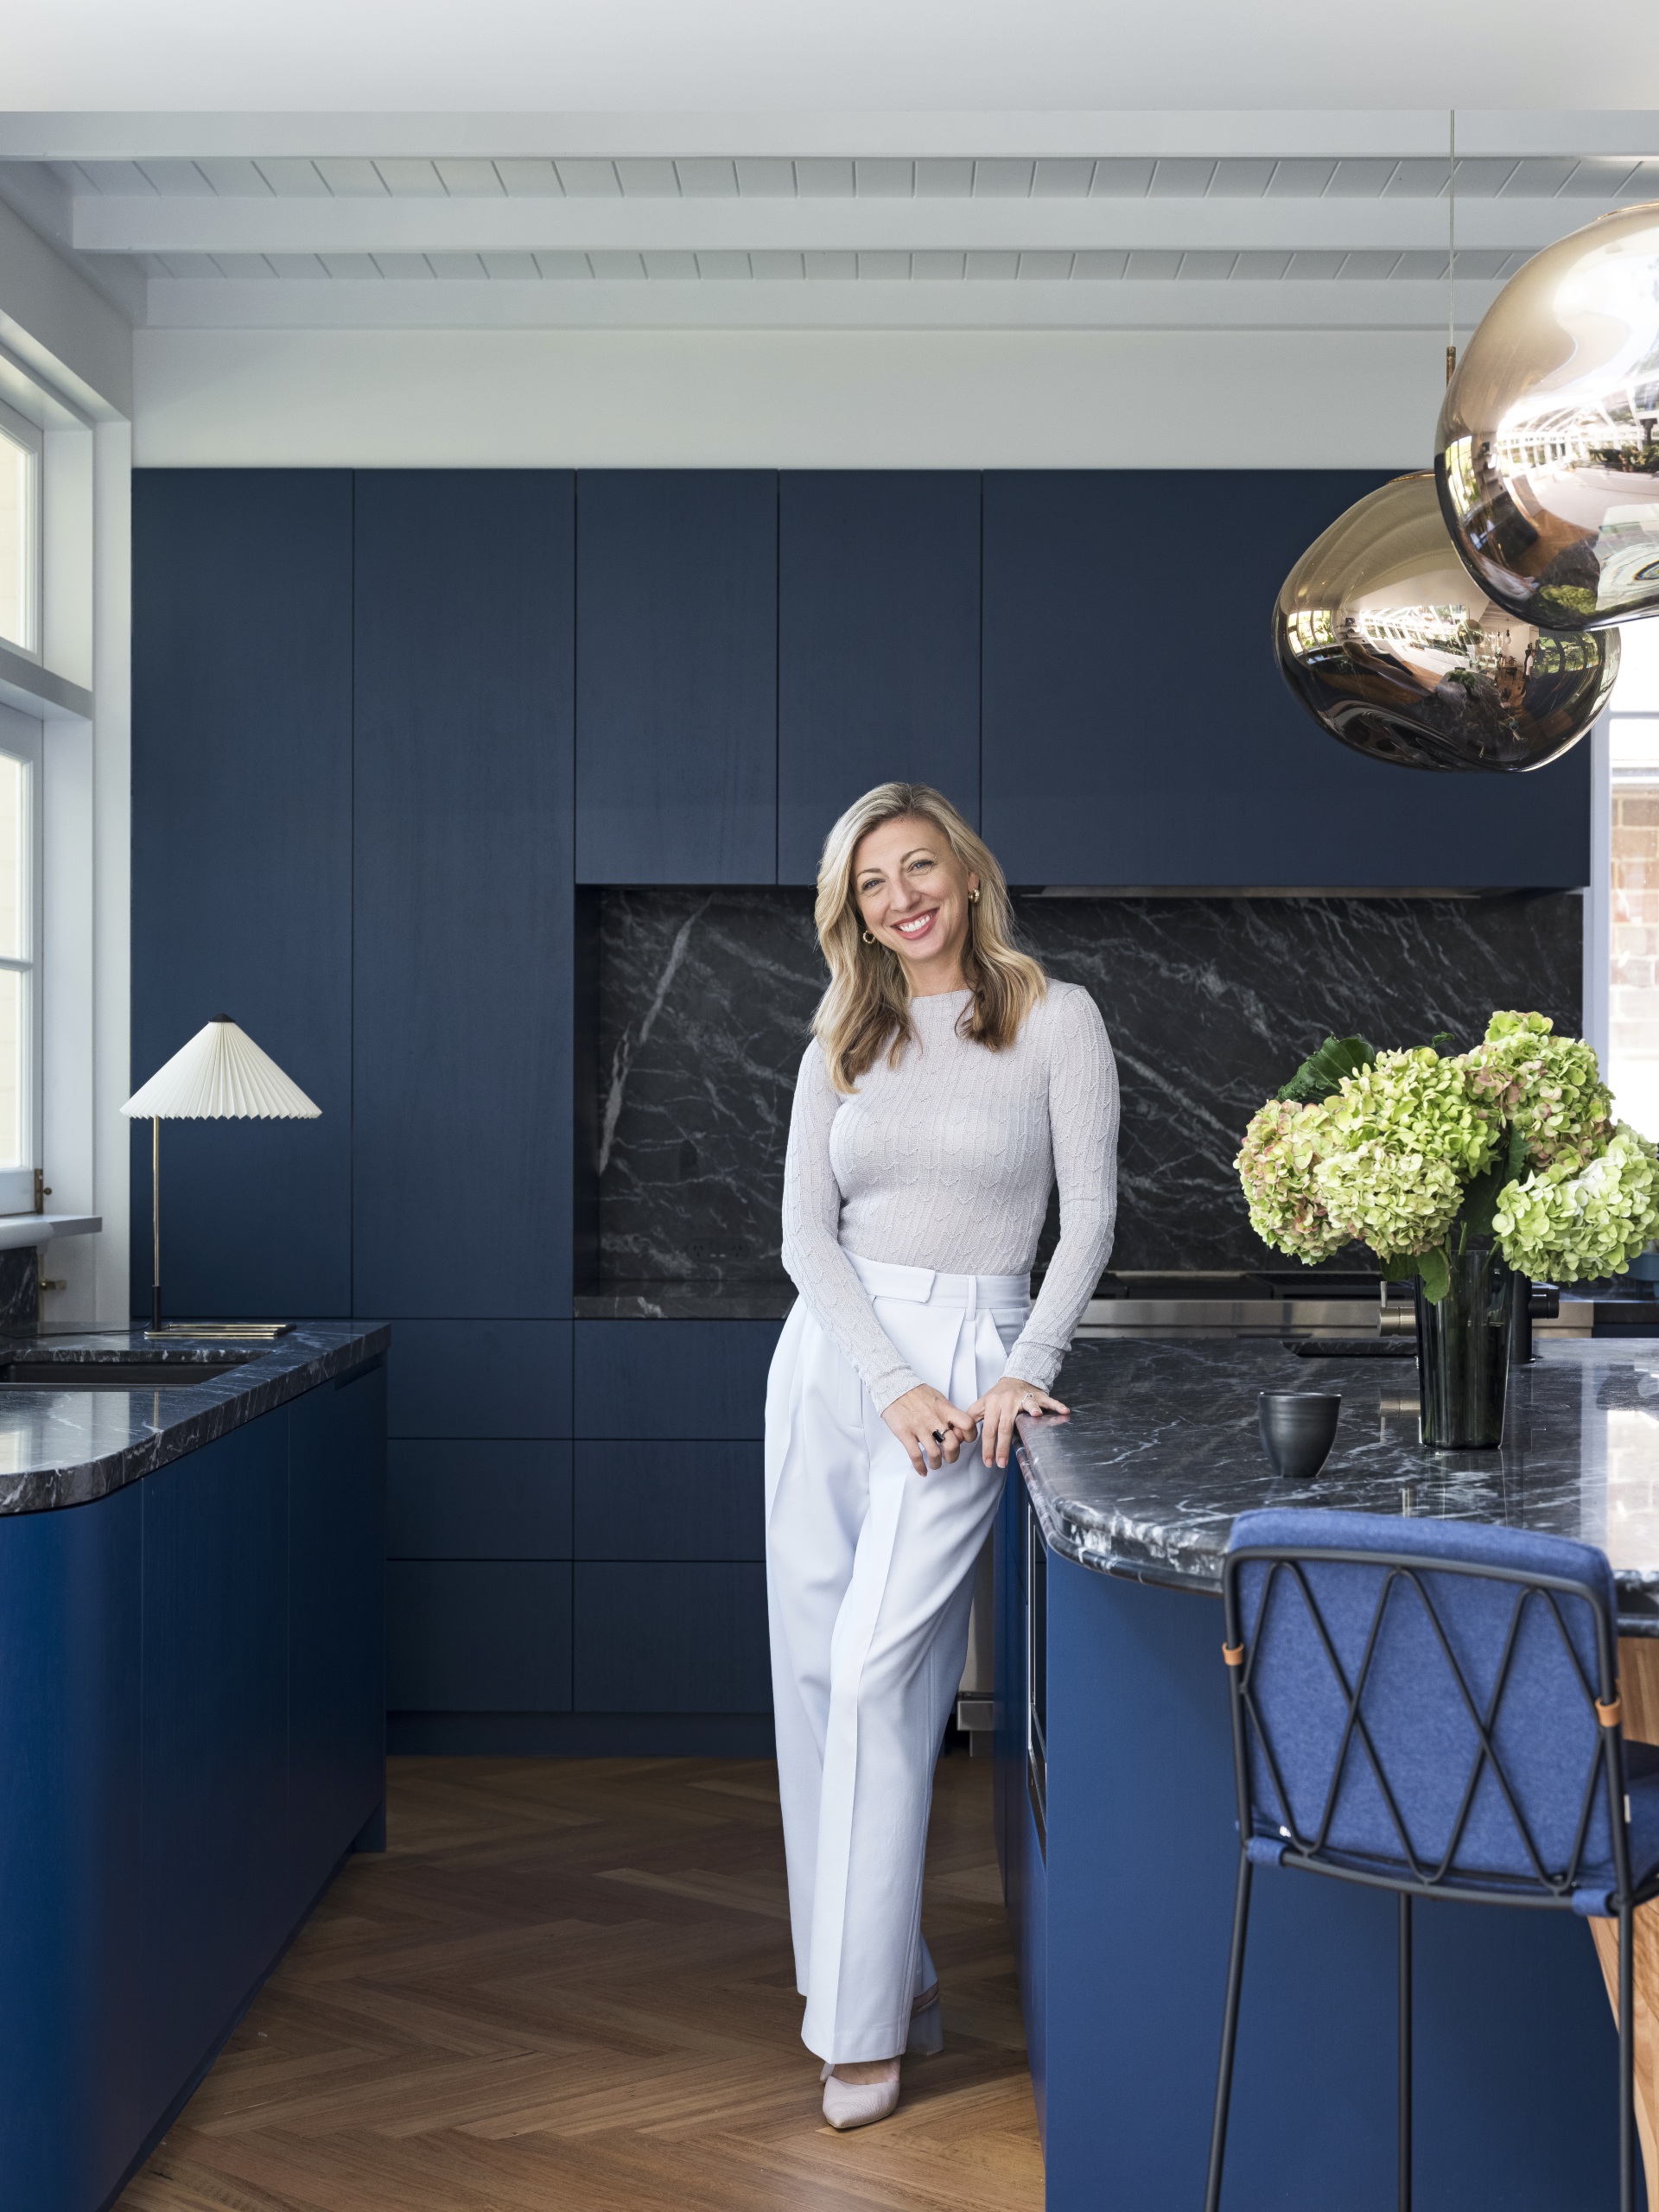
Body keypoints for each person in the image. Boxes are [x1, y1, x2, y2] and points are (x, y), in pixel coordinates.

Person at [766, 780, 1119, 2131]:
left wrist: (1020, 1367)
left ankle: (855, 2035)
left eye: (921, 867)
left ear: (967, 875)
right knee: (815, 1678)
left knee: (874, 1674)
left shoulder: (1052, 1018)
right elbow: (807, 1238)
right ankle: (880, 1977)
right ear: (851, 910)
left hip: (976, 1365)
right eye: (872, 883)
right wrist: (887, 1376)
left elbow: (1086, 1219)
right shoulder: (839, 1041)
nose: (901, 895)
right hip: (836, 1360)